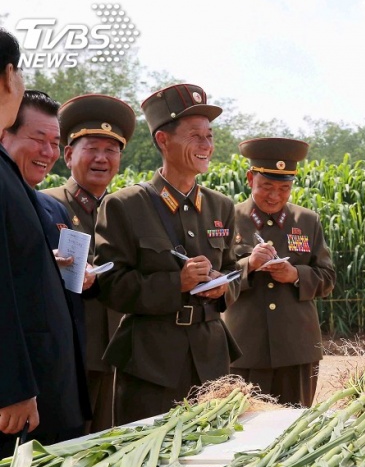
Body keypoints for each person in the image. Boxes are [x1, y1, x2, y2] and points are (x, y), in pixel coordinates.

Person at [94, 83, 241, 424]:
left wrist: (224, 285)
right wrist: (176, 283)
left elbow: (235, 270)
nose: (206, 145)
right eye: (195, 136)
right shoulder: (125, 205)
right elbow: (109, 285)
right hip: (151, 365)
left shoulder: (221, 206)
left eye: (209, 136)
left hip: (211, 362)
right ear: (163, 139)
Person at [0, 29, 88, 457]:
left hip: (56, 390)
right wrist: (12, 385)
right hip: (18, 401)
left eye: (56, 143)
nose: (49, 152)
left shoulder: (50, 208)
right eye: (38, 139)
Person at [43, 93, 136, 432]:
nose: (102, 158)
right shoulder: (45, 204)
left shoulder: (126, 210)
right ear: (68, 155)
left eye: (111, 150)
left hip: (117, 354)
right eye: (91, 148)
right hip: (67, 356)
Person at [224, 138, 336, 407]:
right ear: (251, 178)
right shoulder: (228, 217)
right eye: (266, 186)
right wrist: (247, 265)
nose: (274, 196)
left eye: (284, 188)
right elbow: (214, 279)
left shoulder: (307, 220)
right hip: (244, 348)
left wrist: (295, 275)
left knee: (295, 429)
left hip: (297, 349)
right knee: (245, 428)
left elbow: (328, 277)